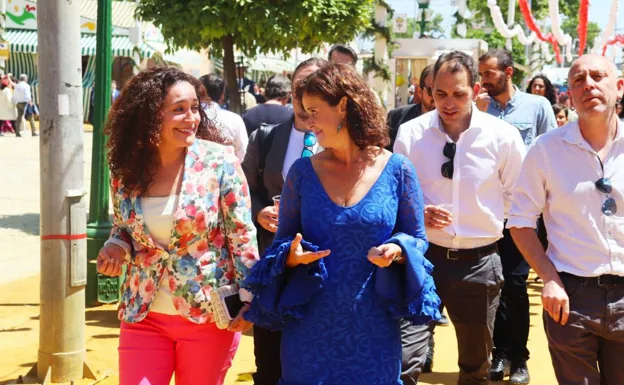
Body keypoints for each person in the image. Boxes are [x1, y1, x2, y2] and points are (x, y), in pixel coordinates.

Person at [244, 62, 440, 384]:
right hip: (309, 325)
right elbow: (281, 243)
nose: (308, 122)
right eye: (305, 112)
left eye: (314, 111)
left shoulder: (398, 169)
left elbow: (417, 237)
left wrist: (397, 248)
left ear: (344, 105)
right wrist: (291, 257)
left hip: (374, 324)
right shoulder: (302, 172)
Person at [96, 66, 259, 385]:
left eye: (194, 108)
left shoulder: (220, 161)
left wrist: (249, 297)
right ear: (149, 115)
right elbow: (124, 228)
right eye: (179, 110)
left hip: (207, 315)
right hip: (143, 313)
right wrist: (116, 245)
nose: (192, 118)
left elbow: (241, 237)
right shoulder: (126, 167)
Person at [395, 50, 526, 385]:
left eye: (458, 94)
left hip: (479, 265)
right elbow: (395, 195)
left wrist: (484, 220)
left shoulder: (503, 136)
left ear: (477, 89)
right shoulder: (410, 134)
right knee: (404, 360)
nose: (448, 103)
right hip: (420, 261)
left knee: (475, 367)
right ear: (428, 91)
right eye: (440, 94)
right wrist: (418, 213)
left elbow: (517, 197)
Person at [507, 54, 624, 385]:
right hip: (570, 298)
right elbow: (519, 221)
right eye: (578, 80)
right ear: (568, 96)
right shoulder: (546, 150)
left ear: (619, 87)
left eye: (598, 76)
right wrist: (549, 278)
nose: (588, 84)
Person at [242, 57, 327, 385]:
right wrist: (259, 212)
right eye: (298, 91)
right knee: (270, 361)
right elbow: (242, 194)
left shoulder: (345, 145)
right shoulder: (266, 138)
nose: (305, 101)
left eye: (314, 90)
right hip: (274, 269)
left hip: (323, 269)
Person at [477, 48, 556, 384]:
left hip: (524, 213)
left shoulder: (537, 106)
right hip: (486, 212)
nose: (482, 80)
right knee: (492, 285)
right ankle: (498, 355)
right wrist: (477, 117)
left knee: (515, 283)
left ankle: (518, 357)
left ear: (508, 72)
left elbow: (552, 152)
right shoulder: (478, 109)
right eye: (480, 74)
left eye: (488, 73)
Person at [200, 73, 248, 161]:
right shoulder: (234, 119)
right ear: (222, 95)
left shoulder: (189, 116)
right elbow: (243, 153)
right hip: (225, 170)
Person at [388, 65, 435, 150]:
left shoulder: (455, 123)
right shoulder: (396, 117)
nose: (437, 96)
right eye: (431, 91)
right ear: (420, 92)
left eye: (442, 92)